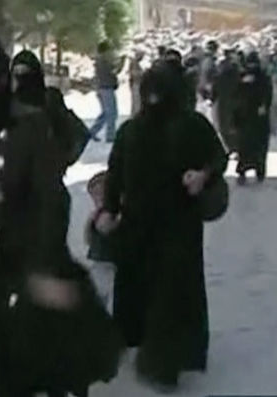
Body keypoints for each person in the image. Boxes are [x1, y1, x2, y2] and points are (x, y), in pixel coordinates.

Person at [0, 45, 122, 397]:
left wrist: (43, 268)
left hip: (28, 257)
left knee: (46, 352)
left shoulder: (32, 128)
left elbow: (50, 201)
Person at [96, 64, 228, 391]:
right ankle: (147, 346)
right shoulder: (134, 130)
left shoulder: (189, 126)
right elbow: (116, 174)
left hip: (173, 225)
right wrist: (109, 210)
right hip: (147, 225)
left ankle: (162, 364)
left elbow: (217, 158)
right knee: (152, 289)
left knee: (167, 293)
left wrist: (202, 175)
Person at [235, 52, 273, 185]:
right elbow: (268, 95)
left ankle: (243, 172)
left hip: (246, 118)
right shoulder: (263, 77)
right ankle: (259, 171)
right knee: (259, 147)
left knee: (245, 147)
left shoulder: (242, 76)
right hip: (257, 119)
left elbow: (236, 97)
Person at [84, 171, 118, 314]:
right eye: (94, 197)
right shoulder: (95, 216)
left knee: (111, 300)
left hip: (111, 264)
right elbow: (88, 239)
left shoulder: (114, 214)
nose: (97, 200)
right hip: (98, 262)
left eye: (100, 195)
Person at [89, 40, 123, 142]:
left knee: (105, 113)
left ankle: (91, 132)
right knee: (112, 113)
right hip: (106, 89)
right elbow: (114, 72)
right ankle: (110, 136)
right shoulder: (103, 60)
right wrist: (121, 63)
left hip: (102, 88)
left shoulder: (100, 60)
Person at [129, 50, 145, 116]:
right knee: (137, 103)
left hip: (137, 84)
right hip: (136, 85)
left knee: (136, 103)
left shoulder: (136, 63)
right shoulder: (134, 63)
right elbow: (133, 73)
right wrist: (143, 74)